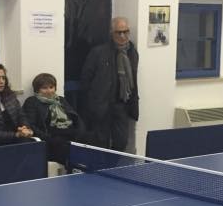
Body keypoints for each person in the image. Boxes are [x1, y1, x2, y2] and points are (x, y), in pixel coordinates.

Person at [80, 16, 139, 151]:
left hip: (122, 104)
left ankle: (113, 163)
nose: (122, 36)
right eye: (119, 32)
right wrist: (92, 101)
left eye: (125, 32)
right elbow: (85, 79)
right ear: (112, 33)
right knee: (100, 143)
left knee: (122, 141)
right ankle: (102, 164)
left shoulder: (132, 52)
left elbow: (133, 79)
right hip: (101, 104)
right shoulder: (98, 52)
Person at [22, 73, 88, 164]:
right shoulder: (32, 102)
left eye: (51, 87)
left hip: (70, 133)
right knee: (67, 150)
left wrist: (80, 132)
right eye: (44, 88)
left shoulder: (60, 100)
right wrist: (49, 138)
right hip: (51, 138)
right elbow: (31, 125)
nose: (49, 91)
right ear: (37, 89)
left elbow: (75, 117)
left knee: (91, 143)